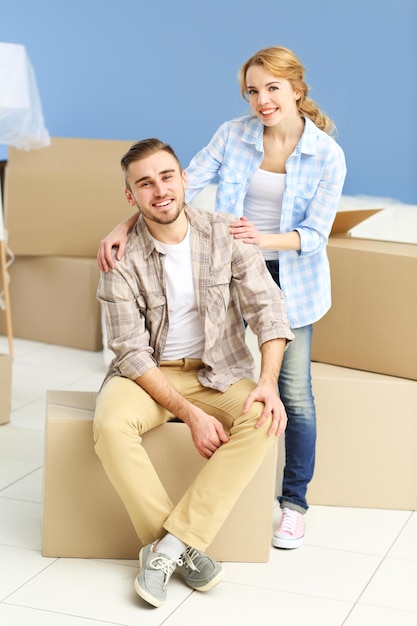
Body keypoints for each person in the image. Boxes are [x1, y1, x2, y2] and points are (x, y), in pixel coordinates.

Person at [97, 46, 347, 550]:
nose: (262, 100)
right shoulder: (233, 134)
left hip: (286, 271)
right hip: (223, 260)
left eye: (272, 88)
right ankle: (177, 541)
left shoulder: (326, 154)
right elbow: (174, 184)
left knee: (291, 394)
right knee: (216, 358)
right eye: (253, 91)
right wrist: (126, 224)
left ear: (296, 89)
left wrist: (255, 240)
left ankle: (293, 503)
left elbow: (317, 235)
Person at [94, 137, 294, 608]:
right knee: (109, 424)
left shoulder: (226, 233)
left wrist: (267, 383)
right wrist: (189, 413)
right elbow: (129, 351)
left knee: (264, 417)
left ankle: (167, 547)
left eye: (166, 177)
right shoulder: (116, 257)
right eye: (144, 183)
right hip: (146, 376)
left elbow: (268, 309)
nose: (158, 190)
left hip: (218, 372)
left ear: (185, 180)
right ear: (131, 196)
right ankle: (182, 548)